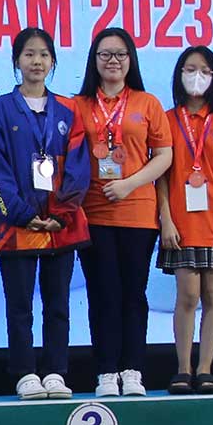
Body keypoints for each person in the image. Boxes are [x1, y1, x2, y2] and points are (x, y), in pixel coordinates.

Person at [0, 28, 91, 400]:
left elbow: (79, 166)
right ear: (17, 60)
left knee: (57, 304)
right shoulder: (1, 108)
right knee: (19, 306)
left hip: (60, 226)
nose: (36, 61)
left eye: (44, 54)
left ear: (53, 61)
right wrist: (20, 213)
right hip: (17, 226)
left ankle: (56, 371)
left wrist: (62, 213)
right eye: (29, 54)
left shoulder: (68, 110)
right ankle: (25, 372)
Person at [73, 27, 173, 397]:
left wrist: (129, 183)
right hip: (93, 213)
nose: (112, 60)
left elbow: (164, 155)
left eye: (120, 54)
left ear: (131, 60)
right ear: (94, 60)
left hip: (138, 213)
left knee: (133, 294)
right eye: (105, 54)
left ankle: (132, 371)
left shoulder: (148, 103)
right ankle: (105, 371)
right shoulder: (79, 105)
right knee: (102, 295)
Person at [157, 46, 213, 395]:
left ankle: (205, 369)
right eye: (190, 69)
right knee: (187, 295)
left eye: (205, 70)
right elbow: (161, 175)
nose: (197, 76)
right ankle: (183, 368)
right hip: (181, 225)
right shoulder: (167, 120)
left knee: (212, 295)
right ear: (179, 74)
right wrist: (165, 219)